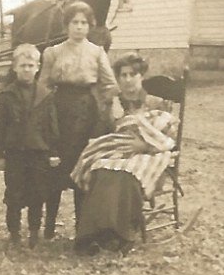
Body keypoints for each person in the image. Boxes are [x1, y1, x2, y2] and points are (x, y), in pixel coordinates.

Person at [71, 52, 179, 254]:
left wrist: (145, 145)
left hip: (149, 155)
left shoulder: (156, 103)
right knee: (101, 172)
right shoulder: (113, 103)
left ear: (141, 77)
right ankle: (93, 234)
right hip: (118, 151)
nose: (128, 80)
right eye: (123, 75)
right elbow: (103, 133)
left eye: (132, 75)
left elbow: (168, 137)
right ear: (118, 78)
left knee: (127, 176)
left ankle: (123, 233)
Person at [39, 1, 117, 237]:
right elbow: (43, 84)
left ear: (90, 26)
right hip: (59, 111)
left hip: (86, 113)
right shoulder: (53, 52)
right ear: (67, 25)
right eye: (75, 22)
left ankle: (82, 226)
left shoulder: (96, 52)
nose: (79, 27)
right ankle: (49, 226)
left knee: (83, 169)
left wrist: (105, 111)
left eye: (84, 23)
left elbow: (110, 85)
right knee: (56, 169)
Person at [0, 44, 61, 247]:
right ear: (15, 68)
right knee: (14, 194)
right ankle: (14, 233)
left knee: (37, 194)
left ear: (38, 67)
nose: (27, 69)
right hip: (15, 153)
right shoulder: (6, 95)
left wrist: (53, 151)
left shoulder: (46, 95)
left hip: (38, 152)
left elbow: (51, 125)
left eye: (30, 65)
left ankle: (33, 232)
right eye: (22, 66)